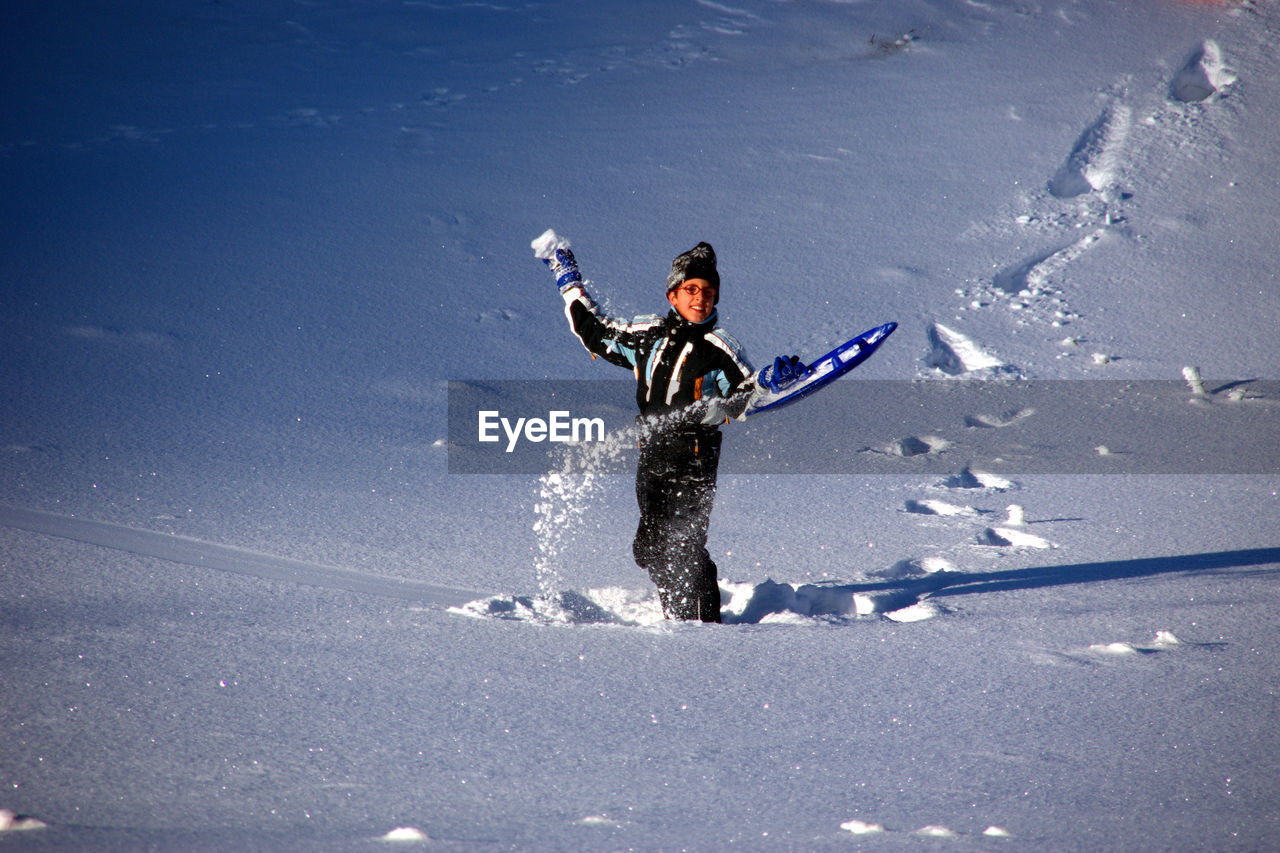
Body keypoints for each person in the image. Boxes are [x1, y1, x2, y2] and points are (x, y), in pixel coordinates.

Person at [535, 233, 757, 622]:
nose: (700, 297)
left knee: (683, 545)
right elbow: (596, 330)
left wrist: (771, 383)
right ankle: (679, 618)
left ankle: (702, 630)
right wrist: (568, 281)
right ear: (673, 294)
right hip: (652, 456)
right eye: (691, 288)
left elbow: (748, 395)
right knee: (651, 547)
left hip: (695, 457)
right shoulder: (647, 336)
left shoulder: (720, 347)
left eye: (708, 291)